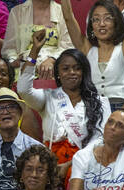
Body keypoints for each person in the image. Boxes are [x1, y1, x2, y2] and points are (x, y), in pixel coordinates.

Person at [17, 46, 109, 180]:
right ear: (58, 73)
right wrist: (34, 52)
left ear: (84, 71)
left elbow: (100, 139)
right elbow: (23, 89)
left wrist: (70, 164)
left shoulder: (100, 102)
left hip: (85, 163)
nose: (72, 72)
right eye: (65, 69)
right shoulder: (47, 97)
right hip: (51, 163)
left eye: (77, 68)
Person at [2, 0, 76, 80]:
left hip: (54, 69)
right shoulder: (16, 12)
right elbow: (9, 48)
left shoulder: (62, 12)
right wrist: (14, 61)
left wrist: (52, 60)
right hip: (23, 69)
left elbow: (68, 46)